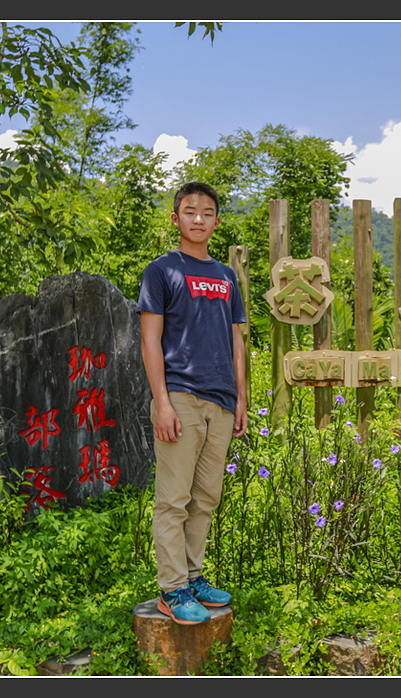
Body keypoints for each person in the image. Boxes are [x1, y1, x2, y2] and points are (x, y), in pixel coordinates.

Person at [136, 181, 248, 625]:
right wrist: (161, 402)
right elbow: (150, 338)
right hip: (180, 396)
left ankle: (194, 577)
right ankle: (172, 588)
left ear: (216, 221)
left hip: (221, 402)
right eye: (189, 211)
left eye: (206, 212)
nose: (198, 218)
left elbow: (237, 342)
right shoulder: (161, 271)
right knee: (174, 498)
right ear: (176, 218)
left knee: (205, 498)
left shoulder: (225, 276)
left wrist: (239, 399)